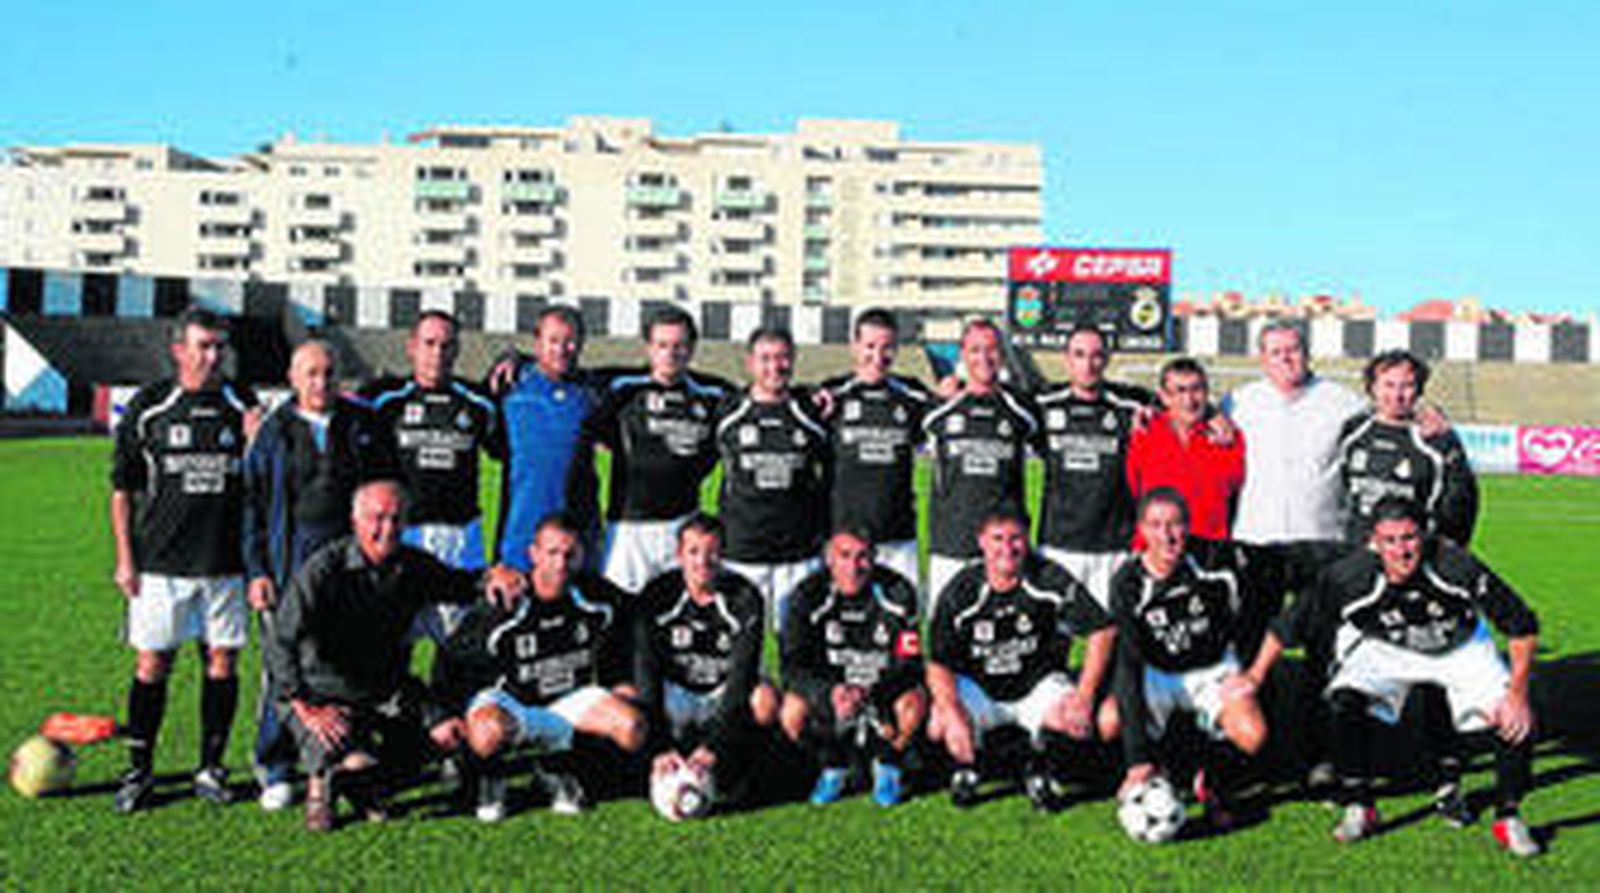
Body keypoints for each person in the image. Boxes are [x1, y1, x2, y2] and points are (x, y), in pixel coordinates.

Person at [1246, 497, 1541, 856]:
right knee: (1344, 701)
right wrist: (1256, 676)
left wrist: (1517, 693)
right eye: (1390, 540)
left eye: (1409, 538)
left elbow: (1521, 625)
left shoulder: (1455, 566)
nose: (1401, 551)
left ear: (1424, 535)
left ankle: (1508, 816)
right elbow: (1290, 624)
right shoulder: (1350, 576)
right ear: (1374, 542)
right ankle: (1360, 805)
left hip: (1458, 646)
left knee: (1515, 718)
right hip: (1387, 646)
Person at [266, 480, 525, 832]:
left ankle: (368, 782)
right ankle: (323, 785)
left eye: (396, 519)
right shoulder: (324, 569)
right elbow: (280, 639)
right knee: (349, 758)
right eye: (377, 518)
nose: (386, 528)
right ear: (355, 520)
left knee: (447, 733)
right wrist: (302, 704)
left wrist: (493, 576)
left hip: (384, 688)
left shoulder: (412, 565)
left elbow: (457, 583)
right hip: (324, 693)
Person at [108, 307, 260, 813]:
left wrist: (256, 439)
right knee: (153, 663)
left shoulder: (243, 403)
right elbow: (122, 489)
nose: (213, 355)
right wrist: (125, 559)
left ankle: (211, 768)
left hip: (226, 564)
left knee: (222, 661)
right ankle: (138, 771)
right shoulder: (150, 407)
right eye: (203, 345)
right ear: (179, 350)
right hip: (160, 565)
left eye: (219, 346)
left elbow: (261, 480)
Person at [244, 339, 399, 810]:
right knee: (283, 667)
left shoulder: (363, 425)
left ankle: (342, 755)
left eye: (329, 373)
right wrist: (257, 570)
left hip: (349, 570)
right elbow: (251, 505)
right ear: (293, 378)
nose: (320, 382)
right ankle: (274, 763)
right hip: (289, 565)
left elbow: (385, 494)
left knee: (342, 665)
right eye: (310, 373)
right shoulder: (274, 432)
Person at [447, 513, 646, 823]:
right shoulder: (507, 600)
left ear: (581, 556)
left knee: (632, 727)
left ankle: (557, 766)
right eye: (552, 553)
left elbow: (637, 618)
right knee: (487, 733)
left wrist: (623, 681)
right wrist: (449, 715)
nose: (561, 564)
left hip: (566, 704)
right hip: (512, 705)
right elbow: (455, 653)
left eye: (570, 554)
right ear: (534, 554)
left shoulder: (594, 595)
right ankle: (489, 774)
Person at [1107, 488, 1285, 829]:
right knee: (1110, 720)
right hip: (1157, 673)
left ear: (1188, 526)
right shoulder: (1128, 582)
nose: (1167, 535)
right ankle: (1156, 772)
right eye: (1156, 525)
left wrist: (1247, 671)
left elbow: (1255, 611)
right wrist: (1136, 759)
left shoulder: (1216, 562)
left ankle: (1210, 778)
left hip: (1212, 669)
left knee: (1253, 734)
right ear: (1142, 530)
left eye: (1175, 525)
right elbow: (1127, 662)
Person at [926, 510, 1116, 811]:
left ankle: (1039, 766)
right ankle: (970, 768)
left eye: (1015, 538)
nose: (1007, 548)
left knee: (1074, 720)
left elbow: (1102, 630)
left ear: (1027, 540)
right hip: (980, 688)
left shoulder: (1048, 578)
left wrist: (1084, 695)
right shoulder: (961, 589)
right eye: (997, 539)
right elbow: (938, 661)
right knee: (938, 722)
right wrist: (952, 711)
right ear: (981, 543)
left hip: (1037, 686)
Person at [633, 514, 780, 815]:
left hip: (721, 690)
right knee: (629, 702)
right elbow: (646, 670)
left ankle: (739, 772)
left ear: (723, 554)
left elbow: (743, 676)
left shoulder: (745, 597)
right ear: (679, 555)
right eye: (694, 552)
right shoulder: (657, 595)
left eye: (712, 552)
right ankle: (648, 770)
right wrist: (659, 746)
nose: (703, 562)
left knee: (765, 700)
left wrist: (714, 748)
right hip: (676, 692)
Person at [779, 527, 927, 807]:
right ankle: (833, 764)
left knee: (914, 703)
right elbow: (792, 664)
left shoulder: (899, 592)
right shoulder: (807, 596)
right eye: (844, 556)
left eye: (862, 557)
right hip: (833, 694)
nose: (853, 567)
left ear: (874, 557)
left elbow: (911, 663)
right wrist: (829, 692)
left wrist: (872, 693)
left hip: (881, 690)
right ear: (828, 558)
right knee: (791, 712)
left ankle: (888, 763)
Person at [588, 306, 732, 591]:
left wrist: (812, 395)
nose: (670, 353)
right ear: (648, 348)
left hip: (684, 527)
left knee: (675, 618)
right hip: (629, 529)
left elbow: (764, 395)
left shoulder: (714, 394)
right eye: (662, 345)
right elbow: (561, 367)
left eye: (679, 345)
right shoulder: (621, 386)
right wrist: (517, 360)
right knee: (621, 618)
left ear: (692, 349)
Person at [713, 327, 830, 631]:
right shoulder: (727, 411)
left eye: (782, 358)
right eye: (765, 359)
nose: (775, 367)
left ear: (793, 360)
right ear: (750, 363)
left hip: (799, 553)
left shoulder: (811, 410)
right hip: (741, 550)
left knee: (798, 645)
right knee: (739, 643)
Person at [922, 319, 1042, 612]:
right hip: (951, 545)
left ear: (1002, 354)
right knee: (948, 639)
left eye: (991, 350)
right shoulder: (937, 410)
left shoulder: (1022, 410)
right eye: (975, 350)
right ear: (962, 354)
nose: (984, 358)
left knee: (1002, 639)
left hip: (1004, 549)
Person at [1035, 325, 1156, 608]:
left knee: (1112, 636)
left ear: (1107, 360)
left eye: (1096, 356)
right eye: (1079, 355)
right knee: (1054, 641)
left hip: (1112, 546)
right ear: (1067, 359)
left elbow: (1182, 401)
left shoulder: (1130, 405)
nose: (1088, 364)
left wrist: (1213, 416)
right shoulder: (1043, 403)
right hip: (1057, 544)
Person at [816, 309, 933, 585]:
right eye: (870, 346)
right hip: (844, 539)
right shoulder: (830, 394)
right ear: (854, 346)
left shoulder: (912, 395)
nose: (878, 357)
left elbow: (946, 412)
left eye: (887, 347)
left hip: (897, 538)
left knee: (903, 623)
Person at [1226, 321, 1368, 545]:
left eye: (1293, 350)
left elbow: (1387, 420)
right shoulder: (1239, 402)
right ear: (1262, 359)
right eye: (1276, 352)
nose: (1285, 358)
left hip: (1320, 538)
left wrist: (1426, 416)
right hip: (1256, 537)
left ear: (1307, 353)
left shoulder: (1343, 401)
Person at [492, 306, 605, 572]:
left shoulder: (592, 391)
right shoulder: (510, 384)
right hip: (521, 531)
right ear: (537, 342)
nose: (561, 349)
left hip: (576, 533)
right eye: (553, 340)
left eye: (570, 341)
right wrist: (510, 356)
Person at [1338, 349, 1478, 546]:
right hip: (1357, 556)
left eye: (1407, 386)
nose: (1397, 395)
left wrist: (1448, 552)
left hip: (1410, 559)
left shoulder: (1436, 440)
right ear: (1372, 388)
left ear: (1419, 390)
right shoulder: (1353, 431)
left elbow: (1460, 502)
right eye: (1388, 385)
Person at [1125, 358, 1245, 548]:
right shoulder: (1144, 432)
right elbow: (1131, 492)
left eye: (1196, 389)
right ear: (1164, 397)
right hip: (1156, 550)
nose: (1189, 401)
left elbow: (1237, 493)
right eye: (1180, 391)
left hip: (1211, 551)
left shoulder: (1228, 437)